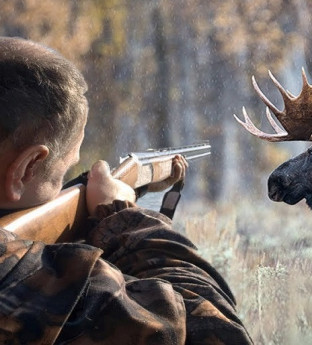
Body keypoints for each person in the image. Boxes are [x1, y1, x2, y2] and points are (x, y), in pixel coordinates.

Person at [0, 36, 252, 344]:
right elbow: (223, 334)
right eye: (61, 173)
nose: (62, 185)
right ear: (25, 169)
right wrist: (123, 215)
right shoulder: (29, 282)